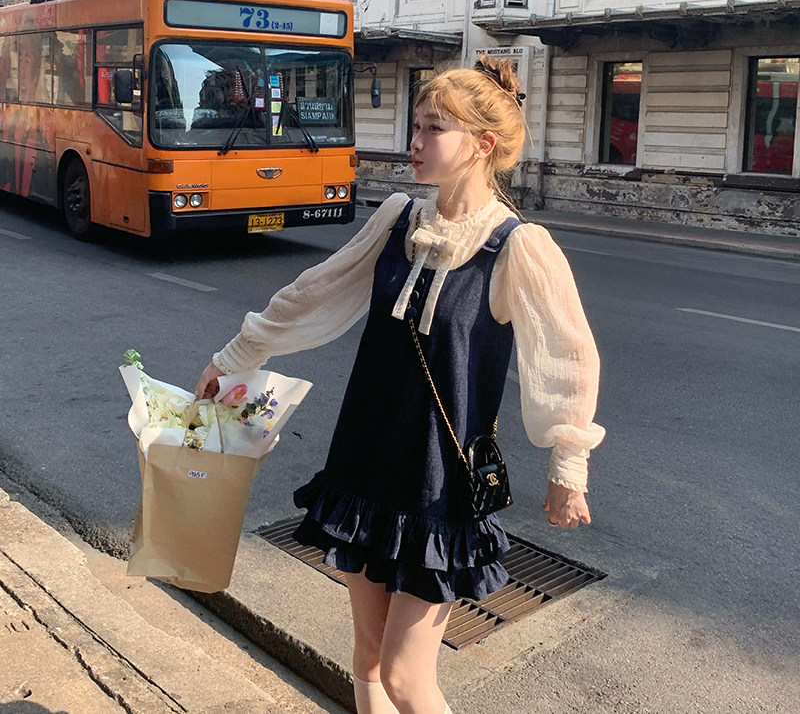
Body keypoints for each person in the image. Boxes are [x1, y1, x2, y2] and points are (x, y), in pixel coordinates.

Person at [196, 57, 605, 714]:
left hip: (438, 481)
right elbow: (313, 292)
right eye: (416, 125)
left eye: (433, 128)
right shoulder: (396, 220)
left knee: (407, 678)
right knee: (366, 659)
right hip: (365, 458)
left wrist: (569, 463)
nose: (414, 141)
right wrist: (236, 355)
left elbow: (568, 353)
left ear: (482, 144)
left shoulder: (516, 247)